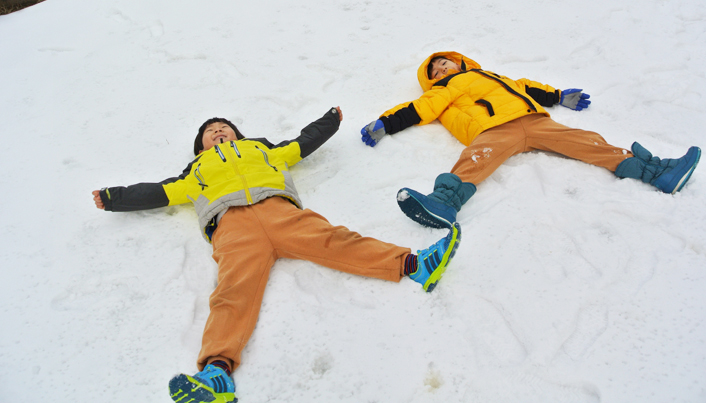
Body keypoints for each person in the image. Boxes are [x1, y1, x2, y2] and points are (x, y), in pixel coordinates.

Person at [91, 106, 461, 403]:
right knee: (232, 292)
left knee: (335, 239)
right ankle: (216, 372)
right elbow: (156, 192)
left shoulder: (263, 150)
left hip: (280, 212)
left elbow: (302, 143)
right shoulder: (194, 173)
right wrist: (114, 198)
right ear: (200, 146)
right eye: (210, 130)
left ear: (238, 134)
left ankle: (415, 264)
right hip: (232, 227)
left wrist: (329, 121)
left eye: (224, 127)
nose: (218, 131)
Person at [361, 51, 701, 229]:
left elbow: (524, 86)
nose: (440, 69)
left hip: (536, 121)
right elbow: (420, 108)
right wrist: (386, 123)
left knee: (588, 141)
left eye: (443, 62)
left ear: (457, 60)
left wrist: (556, 96)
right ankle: (443, 204)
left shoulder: (491, 75)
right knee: (474, 160)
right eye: (433, 71)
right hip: (495, 132)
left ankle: (656, 171)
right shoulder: (446, 90)